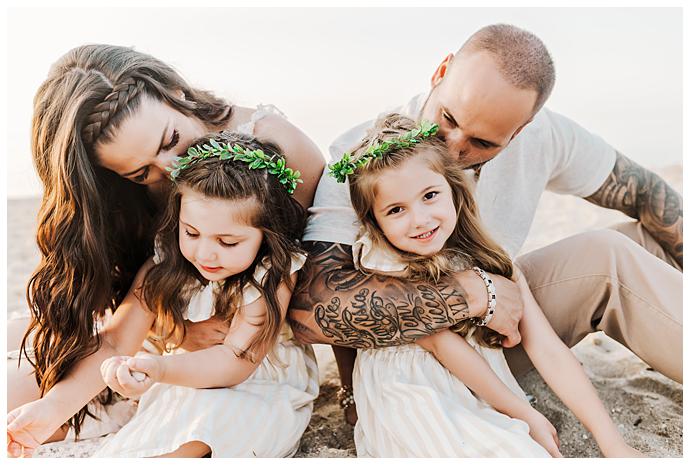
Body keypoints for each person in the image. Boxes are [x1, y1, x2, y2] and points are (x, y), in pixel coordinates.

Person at [287, 23, 682, 427]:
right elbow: (307, 309)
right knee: (607, 257)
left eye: (484, 143)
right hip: (411, 363)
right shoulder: (361, 158)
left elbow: (648, 194)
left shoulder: (544, 134)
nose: (454, 148)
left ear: (522, 129)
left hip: (500, 334)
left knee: (649, 240)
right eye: (448, 118)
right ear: (441, 72)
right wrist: (474, 292)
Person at [7, 44, 324, 447]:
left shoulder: (278, 148)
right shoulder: (159, 250)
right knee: (19, 405)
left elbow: (313, 273)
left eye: (171, 138)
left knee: (200, 429)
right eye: (143, 173)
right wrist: (173, 327)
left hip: (248, 357)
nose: (173, 170)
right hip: (153, 344)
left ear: (173, 91)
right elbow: (120, 332)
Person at [334, 112, 643, 457]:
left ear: (453, 188)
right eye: (395, 210)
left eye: (430, 196)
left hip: (478, 388)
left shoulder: (486, 256)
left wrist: (612, 442)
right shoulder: (385, 263)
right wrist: (524, 413)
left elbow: (548, 348)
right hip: (412, 393)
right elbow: (443, 347)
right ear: (373, 220)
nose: (420, 220)